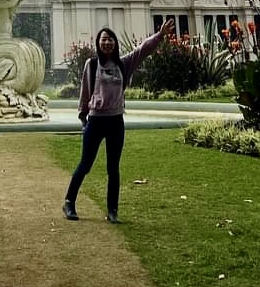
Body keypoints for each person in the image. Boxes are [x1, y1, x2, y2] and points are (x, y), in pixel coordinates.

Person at [62, 18, 176, 224]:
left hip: (116, 121)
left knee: (113, 168)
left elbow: (143, 50)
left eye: (110, 40)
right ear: (98, 43)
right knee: (85, 164)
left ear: (114, 44)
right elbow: (85, 91)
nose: (107, 43)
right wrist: (82, 117)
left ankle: (112, 210)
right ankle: (69, 202)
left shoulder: (123, 64)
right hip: (95, 122)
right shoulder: (92, 64)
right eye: (104, 39)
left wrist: (160, 36)